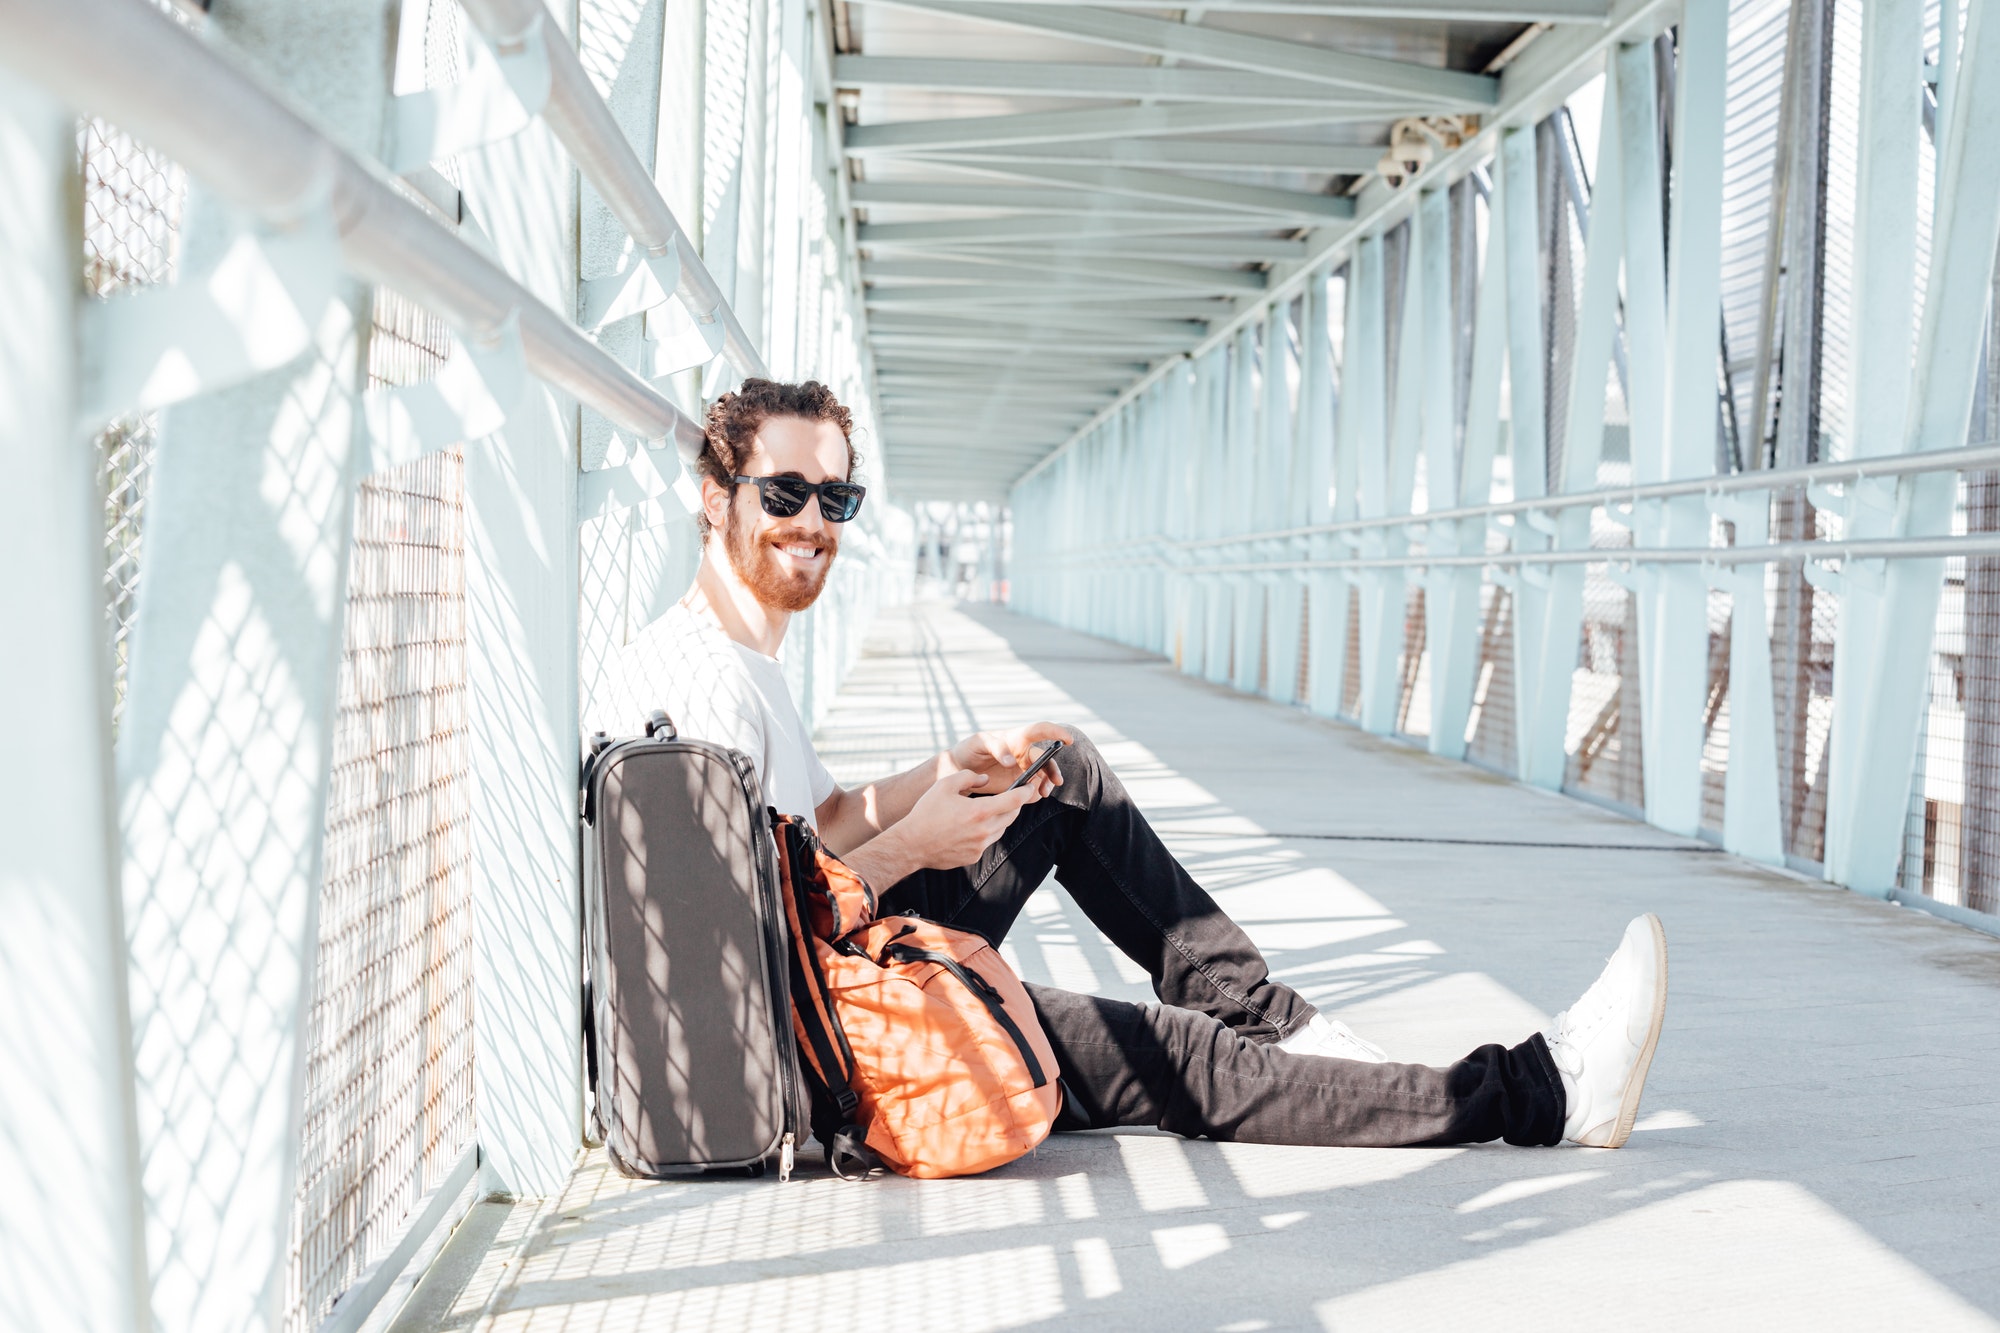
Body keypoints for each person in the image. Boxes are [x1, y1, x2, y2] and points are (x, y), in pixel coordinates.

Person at [594, 378, 1669, 1154]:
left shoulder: (739, 659)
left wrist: (932, 777)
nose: (810, 523)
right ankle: (1541, 1095)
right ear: (713, 493)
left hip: (842, 965)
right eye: (782, 493)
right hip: (827, 1045)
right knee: (1170, 1062)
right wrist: (916, 845)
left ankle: (1282, 1024)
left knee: (1055, 765)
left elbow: (812, 822)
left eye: (835, 500)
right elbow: (732, 957)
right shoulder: (691, 687)